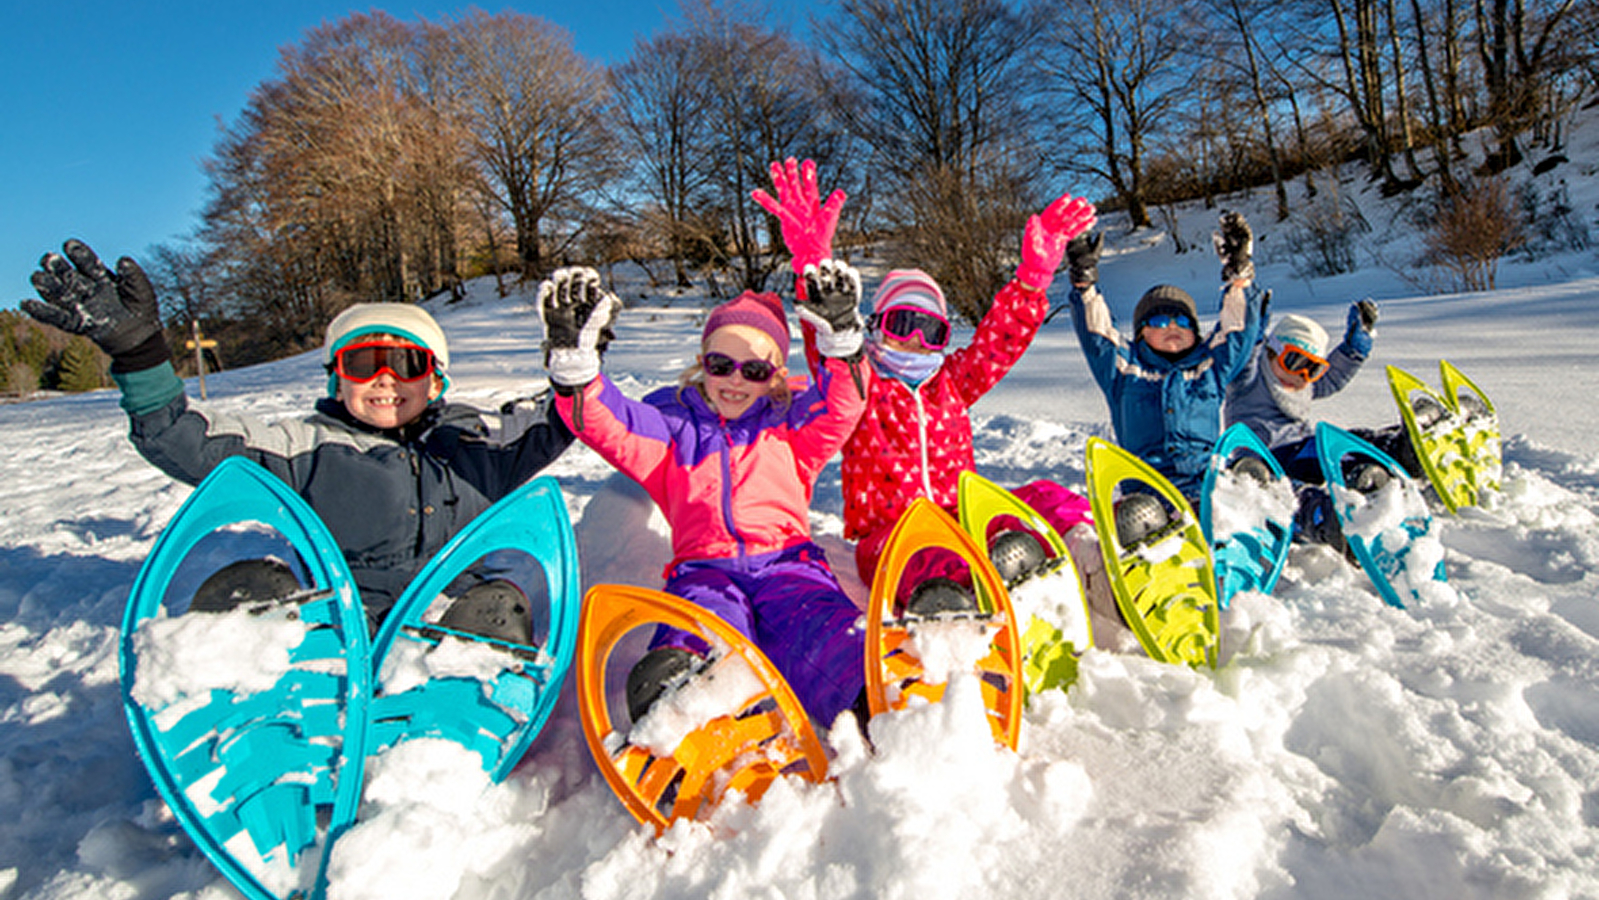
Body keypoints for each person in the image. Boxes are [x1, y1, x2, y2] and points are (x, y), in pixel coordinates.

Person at [20, 240, 575, 634]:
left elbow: (563, 421)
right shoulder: (302, 447)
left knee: (499, 605)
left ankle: (459, 716)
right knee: (250, 587)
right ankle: (265, 717)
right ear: (337, 378)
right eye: (363, 362)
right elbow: (179, 438)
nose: (385, 378)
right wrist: (140, 354)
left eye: (406, 362)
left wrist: (575, 370)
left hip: (449, 614)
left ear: (437, 380)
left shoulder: (476, 441)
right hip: (334, 620)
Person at [537, 260, 872, 728]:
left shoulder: (791, 426)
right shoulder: (671, 427)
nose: (735, 380)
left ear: (775, 375)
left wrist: (842, 346)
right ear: (702, 363)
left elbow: (843, 404)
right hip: (704, 568)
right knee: (701, 628)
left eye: (753, 370)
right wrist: (578, 374)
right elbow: (608, 424)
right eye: (721, 365)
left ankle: (872, 697)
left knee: (817, 624)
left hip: (788, 563)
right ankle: (692, 720)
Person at [752, 157, 1099, 587]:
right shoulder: (861, 383)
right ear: (878, 327)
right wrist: (812, 261)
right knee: (925, 558)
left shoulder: (951, 382)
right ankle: (962, 593)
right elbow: (830, 339)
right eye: (902, 324)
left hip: (963, 517)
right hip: (892, 537)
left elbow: (999, 343)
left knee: (1045, 495)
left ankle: (1090, 553)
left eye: (930, 329)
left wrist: (1031, 280)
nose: (916, 338)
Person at [1065, 211, 1267, 503]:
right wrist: (1085, 286)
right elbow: (1097, 334)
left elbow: (1238, 331)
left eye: (1182, 322)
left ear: (1195, 332)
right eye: (1159, 322)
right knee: (1141, 519)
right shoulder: (1124, 370)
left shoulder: (1209, 367)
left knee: (1245, 492)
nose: (1172, 327)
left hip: (1206, 485)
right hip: (1148, 491)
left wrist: (1240, 279)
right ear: (1141, 334)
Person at [1223, 301, 1424, 550]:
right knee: (1280, 493)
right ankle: (1324, 518)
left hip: (1301, 450)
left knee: (1343, 442)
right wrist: (1250, 328)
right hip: (1262, 463)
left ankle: (1400, 451)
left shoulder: (1299, 384)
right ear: (1271, 351)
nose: (1302, 376)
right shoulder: (1248, 380)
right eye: (1295, 362)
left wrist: (1354, 349)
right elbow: (1242, 354)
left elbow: (1331, 380)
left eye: (1313, 369)